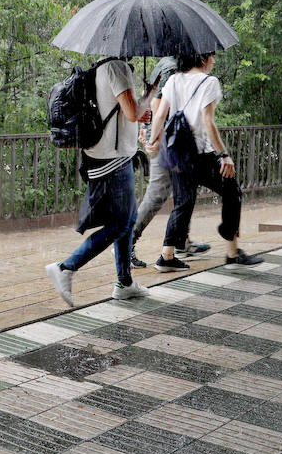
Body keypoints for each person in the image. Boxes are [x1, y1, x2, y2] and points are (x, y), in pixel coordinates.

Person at [45, 57, 152, 308]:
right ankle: (66, 267)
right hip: (113, 160)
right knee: (121, 223)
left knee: (128, 219)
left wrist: (141, 102)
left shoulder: (102, 68)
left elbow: (122, 112)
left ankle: (124, 282)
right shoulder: (117, 67)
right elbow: (132, 113)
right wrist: (151, 93)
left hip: (106, 155)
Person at [145, 51, 263, 272]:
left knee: (183, 203)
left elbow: (160, 114)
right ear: (202, 59)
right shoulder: (209, 82)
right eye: (212, 57)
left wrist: (151, 141)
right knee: (231, 192)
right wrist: (224, 155)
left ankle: (166, 257)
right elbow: (208, 122)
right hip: (201, 152)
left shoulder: (173, 79)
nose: (214, 61)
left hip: (176, 152)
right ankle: (232, 253)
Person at [129, 56, 210, 268]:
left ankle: (181, 241)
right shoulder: (172, 67)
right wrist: (153, 137)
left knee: (184, 190)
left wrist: (145, 130)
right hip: (166, 139)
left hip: (168, 137)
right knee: (158, 193)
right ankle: (126, 242)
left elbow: (148, 97)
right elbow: (156, 104)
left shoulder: (169, 65)